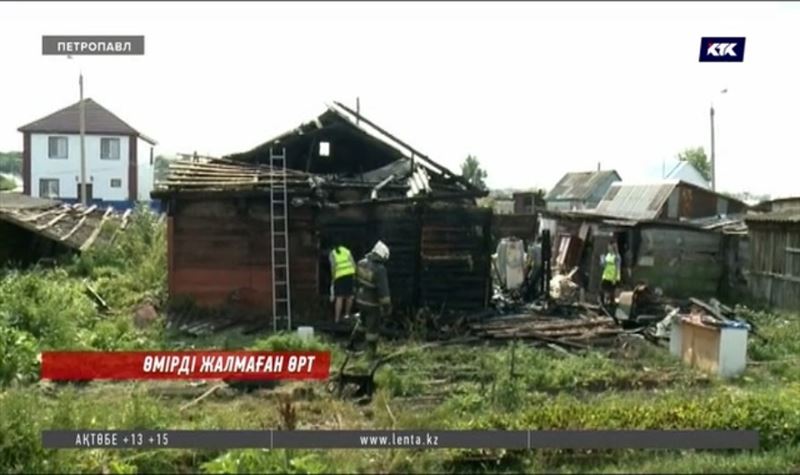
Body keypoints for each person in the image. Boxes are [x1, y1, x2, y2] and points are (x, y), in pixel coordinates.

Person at [355, 240, 392, 360]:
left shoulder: (361, 263)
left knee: (362, 323)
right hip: (372, 304)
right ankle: (370, 353)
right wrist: (387, 308)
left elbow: (355, 281)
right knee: (372, 330)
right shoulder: (380, 270)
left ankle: (354, 346)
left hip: (360, 300)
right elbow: (383, 292)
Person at [329, 241, 356, 323]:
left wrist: (333, 278)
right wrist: (354, 275)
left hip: (339, 276)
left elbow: (333, 267)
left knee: (339, 297)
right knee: (349, 296)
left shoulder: (332, 253)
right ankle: (347, 316)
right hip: (350, 275)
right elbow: (353, 264)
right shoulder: (347, 251)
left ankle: (337, 319)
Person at [600, 242, 621, 308]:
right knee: (602, 290)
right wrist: (602, 260)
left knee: (611, 292)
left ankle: (612, 305)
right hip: (606, 276)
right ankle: (603, 304)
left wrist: (614, 278)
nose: (608, 248)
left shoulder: (617, 256)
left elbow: (617, 268)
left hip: (613, 277)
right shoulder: (608, 255)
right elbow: (604, 265)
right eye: (608, 246)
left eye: (610, 247)